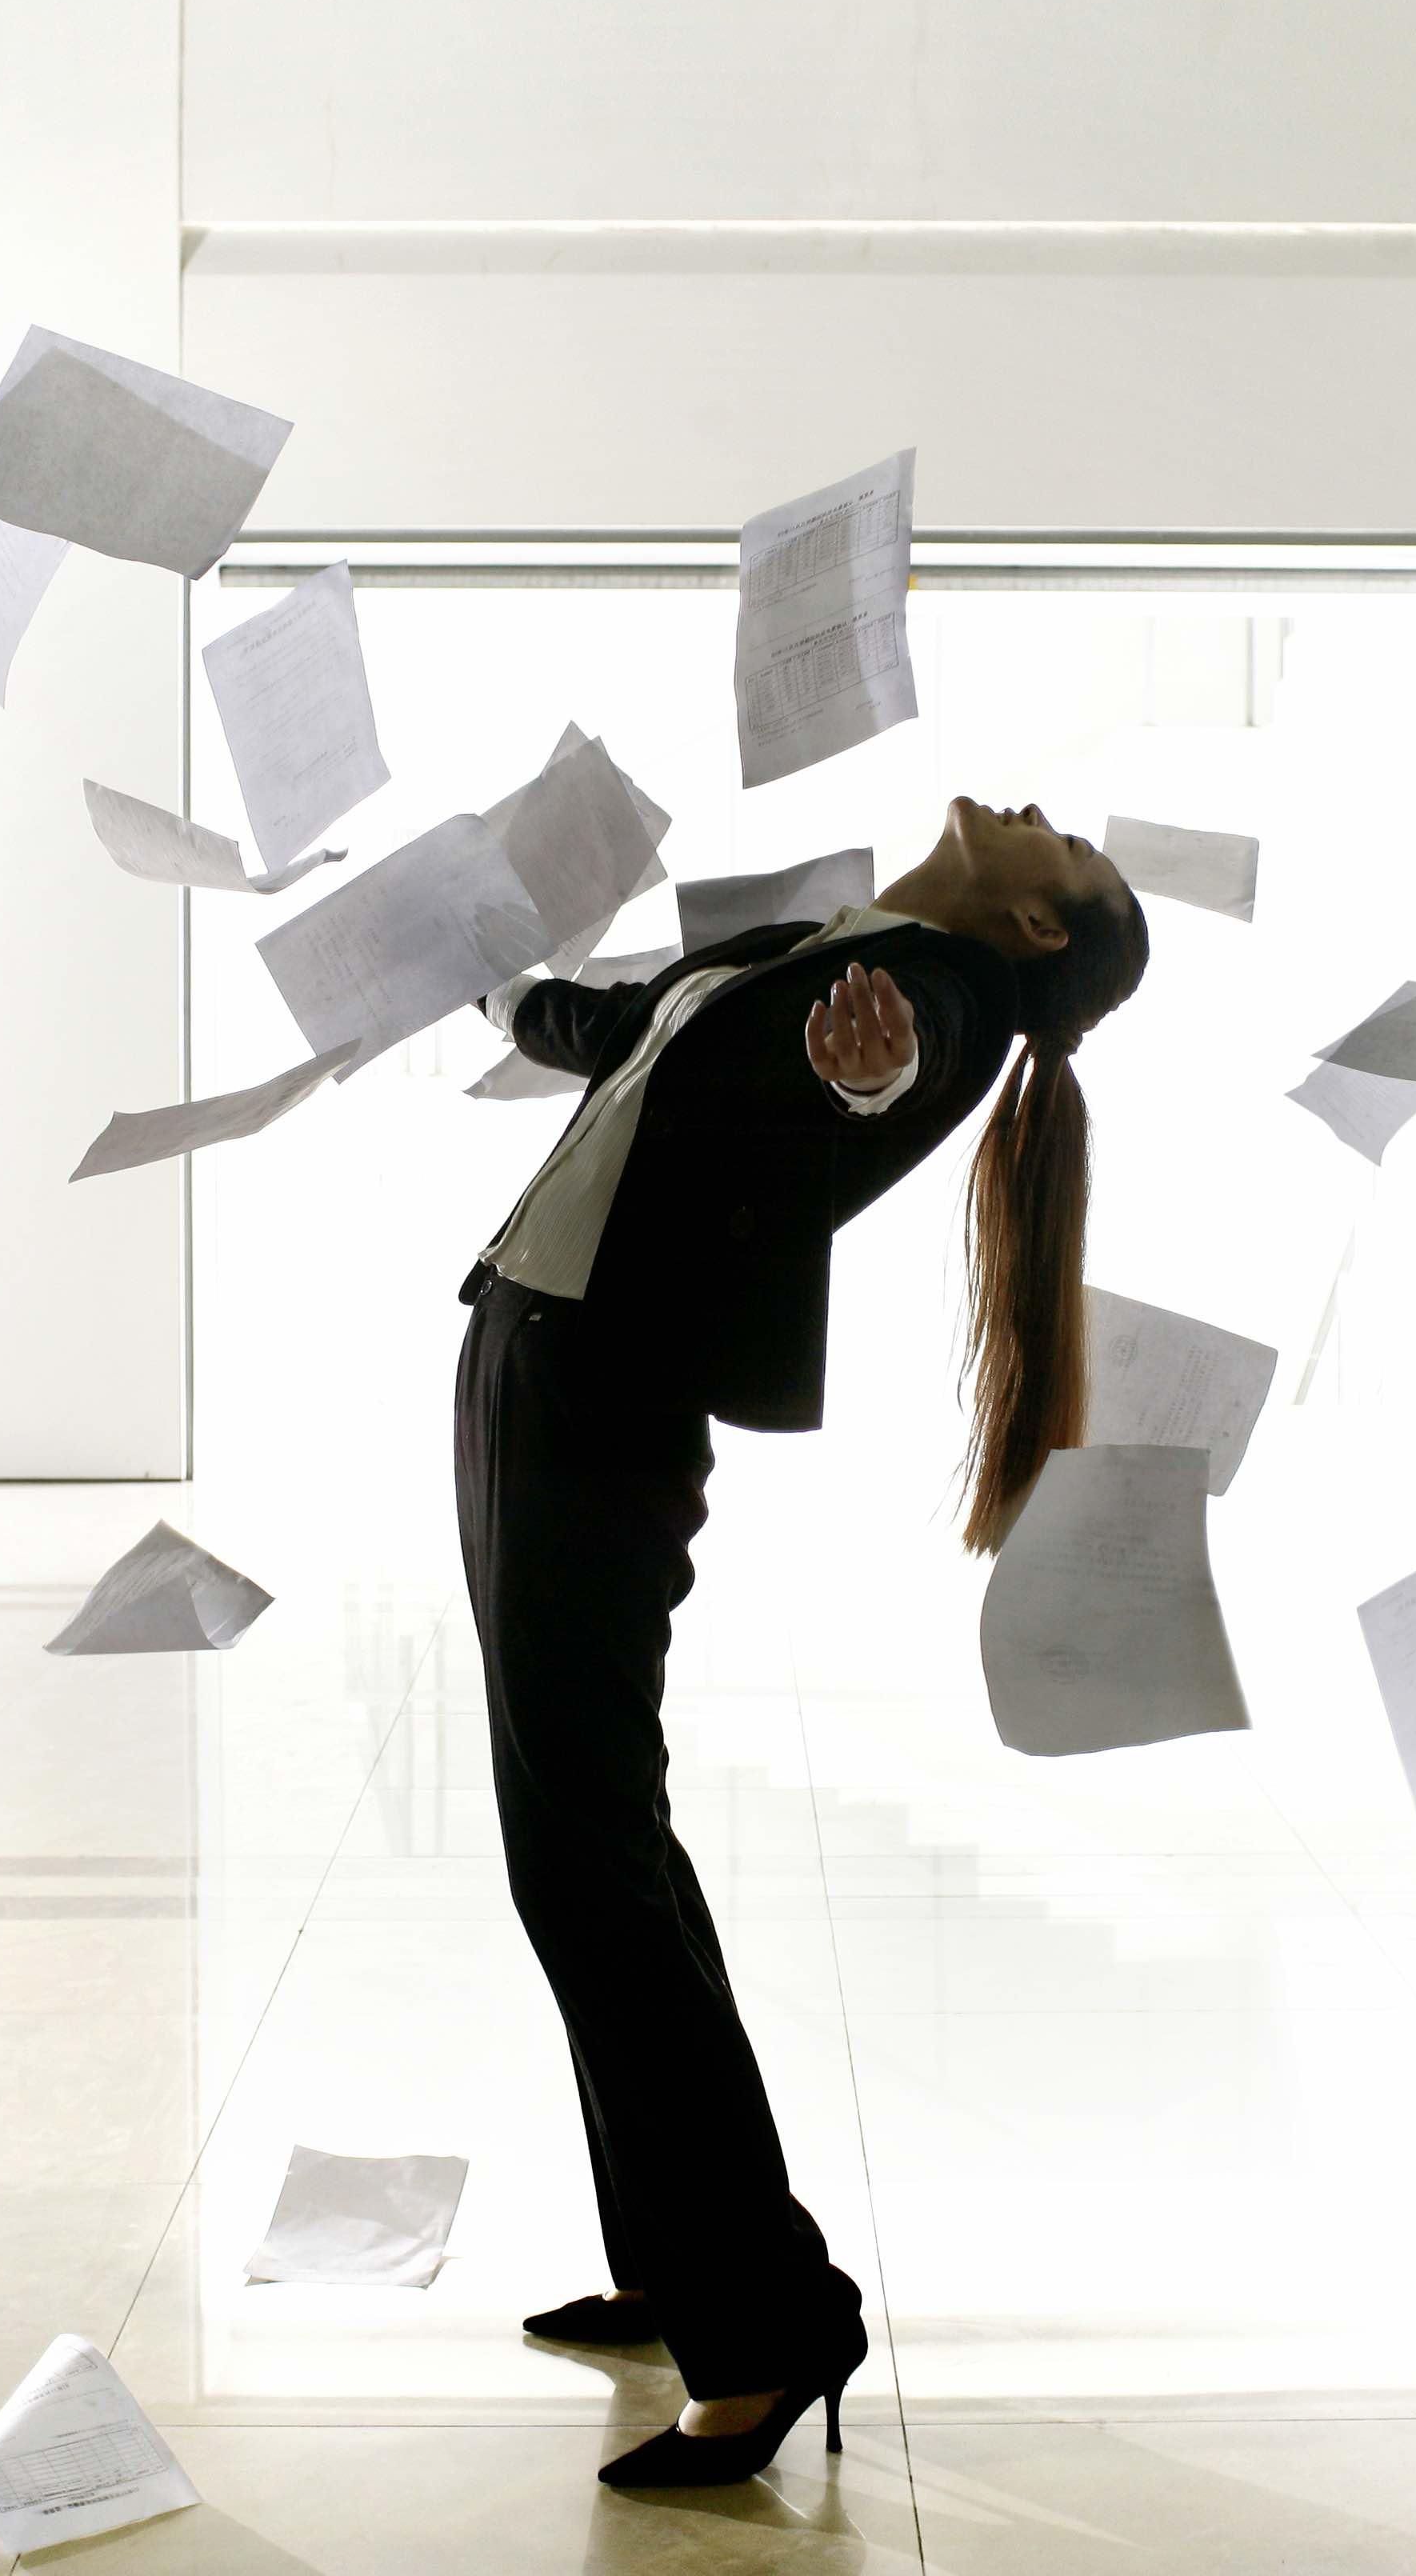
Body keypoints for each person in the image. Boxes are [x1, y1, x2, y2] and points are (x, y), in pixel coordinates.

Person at [456, 793, 1150, 2488]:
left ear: (1039, 929)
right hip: (537, 1362)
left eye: (1066, 849)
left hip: (598, 1400)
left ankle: (763, 2322)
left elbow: (867, 1075)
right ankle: (677, 2257)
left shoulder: (932, 997)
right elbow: (628, 1029)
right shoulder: (834, 944)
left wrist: (856, 1080)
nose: (1042, 815)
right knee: (593, 1840)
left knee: (587, 1853)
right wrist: (479, 984)